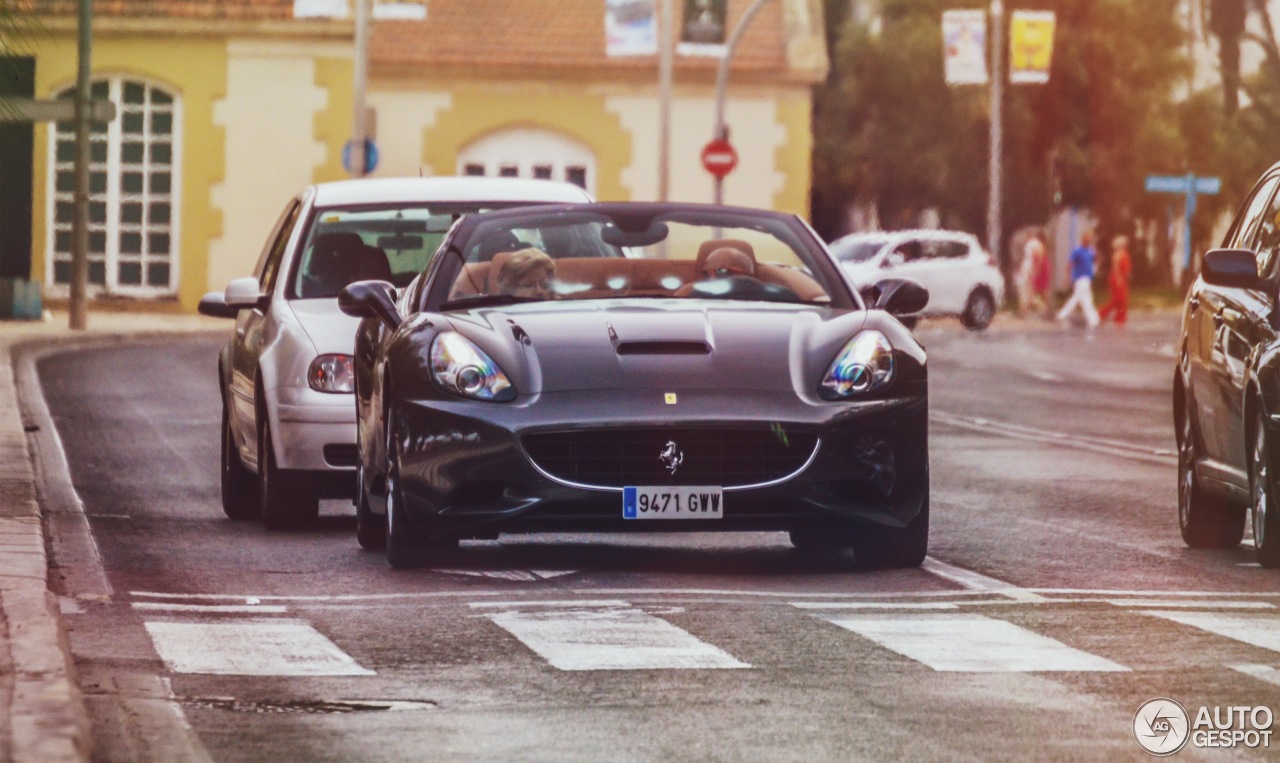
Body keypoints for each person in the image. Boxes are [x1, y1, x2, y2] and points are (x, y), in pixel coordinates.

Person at [1055, 229, 1100, 328]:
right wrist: (1067, 276)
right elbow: (1070, 264)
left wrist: (1094, 271)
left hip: (1087, 277)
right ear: (1082, 239)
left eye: (1089, 240)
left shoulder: (1090, 251)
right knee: (1085, 298)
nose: (1088, 241)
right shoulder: (1077, 251)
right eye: (1086, 239)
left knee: (1080, 297)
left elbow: (1094, 261)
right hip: (1080, 277)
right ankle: (1093, 318)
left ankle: (1062, 314)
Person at [1098, 235, 1133, 326]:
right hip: (1117, 278)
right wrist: (1119, 278)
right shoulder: (1117, 254)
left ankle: (1118, 318)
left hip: (1122, 278)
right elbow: (1115, 268)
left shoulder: (1123, 253)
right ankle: (1103, 313)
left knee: (1121, 299)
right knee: (1119, 299)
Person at [1016, 230, 1049, 317]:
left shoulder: (1033, 243)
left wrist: (1036, 268)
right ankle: (1025, 309)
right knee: (1028, 289)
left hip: (1029, 267)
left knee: (1025, 288)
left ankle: (1026, 309)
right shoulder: (1036, 244)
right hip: (1028, 266)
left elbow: (1037, 255)